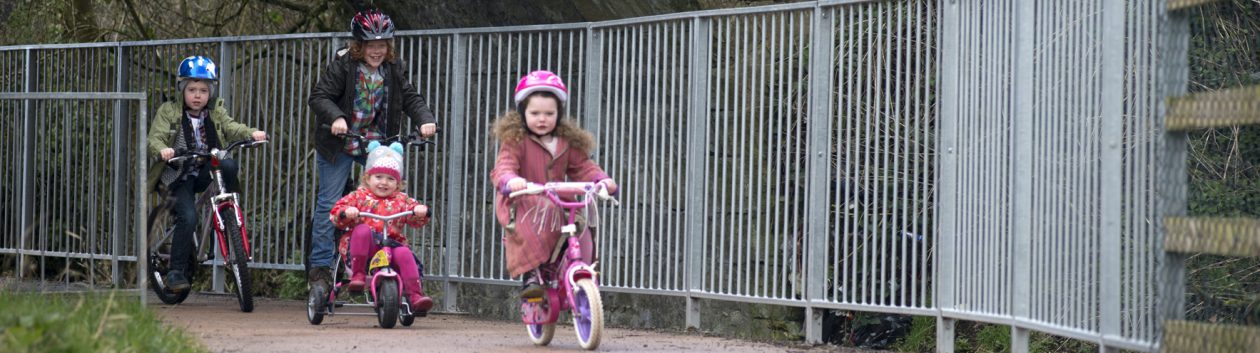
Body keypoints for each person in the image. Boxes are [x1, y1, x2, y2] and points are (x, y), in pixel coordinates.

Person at [307, 9, 439, 293]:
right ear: (359, 45)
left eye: (382, 45)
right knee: (329, 202)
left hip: (377, 144)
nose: (377, 51)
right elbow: (319, 96)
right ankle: (319, 269)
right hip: (340, 143)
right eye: (371, 45)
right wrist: (336, 118)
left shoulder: (393, 68)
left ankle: (384, 260)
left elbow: (411, 97)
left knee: (389, 196)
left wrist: (425, 119)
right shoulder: (343, 65)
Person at [490, 70, 618, 299]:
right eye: (535, 113)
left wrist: (601, 180)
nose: (542, 119)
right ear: (522, 113)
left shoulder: (565, 142)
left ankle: (583, 270)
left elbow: (583, 167)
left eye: (549, 113)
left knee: (583, 222)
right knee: (543, 211)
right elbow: (504, 166)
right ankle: (531, 274)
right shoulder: (516, 140)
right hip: (522, 201)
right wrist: (511, 180)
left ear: (559, 114)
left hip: (559, 200)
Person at [147, 55, 269, 292]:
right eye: (192, 89)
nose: (197, 95)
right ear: (182, 89)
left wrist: (251, 133)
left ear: (210, 92)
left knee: (228, 164)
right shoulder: (168, 111)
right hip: (176, 176)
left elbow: (232, 128)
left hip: (203, 171)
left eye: (203, 90)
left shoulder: (215, 112)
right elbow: (156, 137)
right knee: (189, 217)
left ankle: (226, 214)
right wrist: (163, 149)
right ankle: (176, 271)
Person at [330, 141, 434, 312]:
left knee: (404, 252)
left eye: (391, 179)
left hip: (390, 248)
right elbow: (335, 213)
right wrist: (346, 211)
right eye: (378, 177)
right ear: (367, 178)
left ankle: (415, 295)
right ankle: (358, 275)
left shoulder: (401, 200)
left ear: (398, 183)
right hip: (363, 251)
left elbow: (415, 215)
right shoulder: (359, 196)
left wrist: (419, 211)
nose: (384, 183)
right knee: (362, 230)